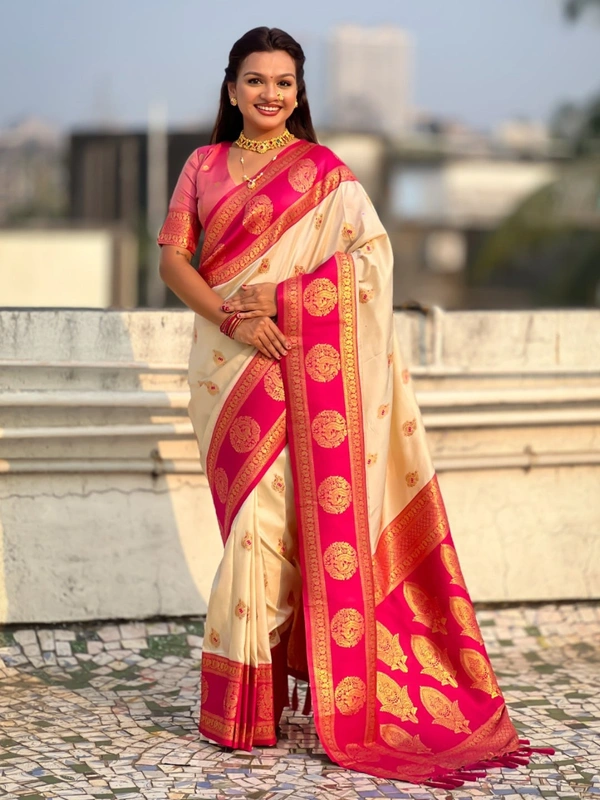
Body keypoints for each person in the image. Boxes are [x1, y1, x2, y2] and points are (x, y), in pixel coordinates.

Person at [157, 26, 551, 789]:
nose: (269, 94)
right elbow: (174, 257)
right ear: (231, 87)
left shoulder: (326, 176)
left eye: (283, 83)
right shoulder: (202, 166)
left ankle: (249, 703)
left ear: (300, 94)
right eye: (255, 80)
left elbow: (372, 261)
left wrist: (294, 300)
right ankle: (252, 694)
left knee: (270, 530)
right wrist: (235, 316)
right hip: (228, 367)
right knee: (249, 523)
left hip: (302, 367)